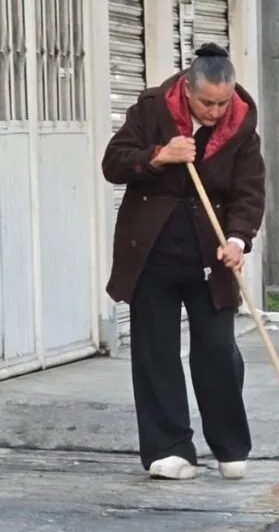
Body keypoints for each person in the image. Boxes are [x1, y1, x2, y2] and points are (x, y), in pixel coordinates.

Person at [101, 43, 266, 481]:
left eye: (222, 103)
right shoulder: (152, 108)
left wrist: (238, 239)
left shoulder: (241, 125)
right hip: (151, 249)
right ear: (188, 90)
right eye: (206, 103)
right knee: (155, 351)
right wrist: (158, 156)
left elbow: (250, 190)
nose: (214, 112)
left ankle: (230, 446)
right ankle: (168, 449)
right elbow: (113, 164)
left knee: (217, 349)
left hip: (211, 253)